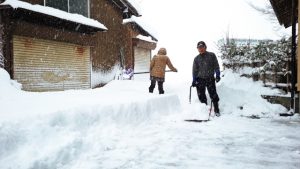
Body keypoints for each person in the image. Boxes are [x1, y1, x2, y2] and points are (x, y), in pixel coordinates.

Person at [192, 41, 221, 116]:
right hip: (200, 79)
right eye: (199, 48)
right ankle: (204, 111)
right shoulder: (196, 59)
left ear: (205, 47)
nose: (200, 49)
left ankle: (216, 110)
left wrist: (217, 75)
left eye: (202, 47)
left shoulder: (211, 55)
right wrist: (194, 80)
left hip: (210, 78)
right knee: (201, 96)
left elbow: (216, 66)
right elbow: (194, 70)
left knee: (213, 94)